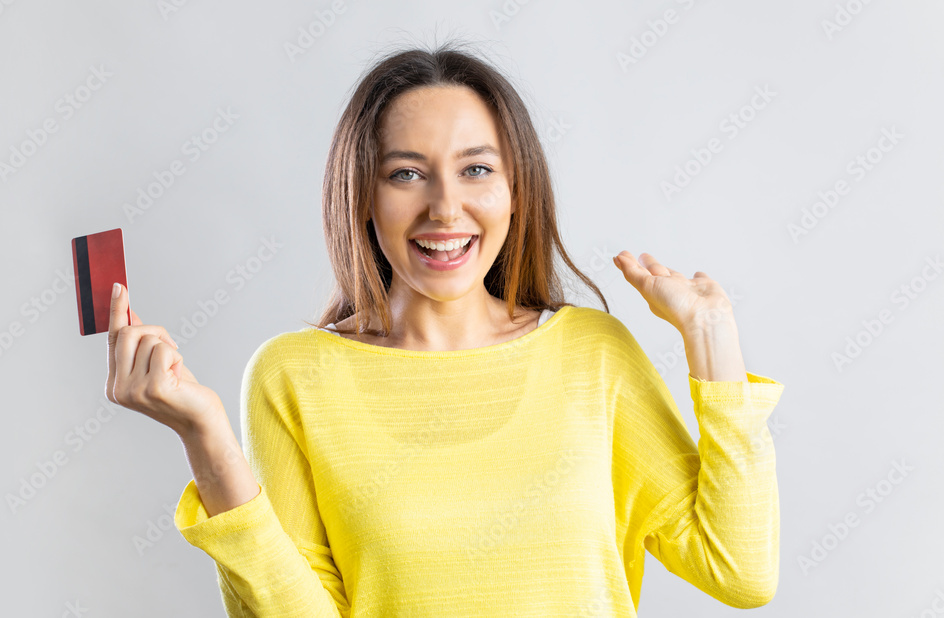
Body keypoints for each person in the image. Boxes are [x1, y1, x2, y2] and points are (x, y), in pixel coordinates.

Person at [105, 41, 785, 617]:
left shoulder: (592, 355)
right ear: (363, 193)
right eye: (407, 174)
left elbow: (739, 570)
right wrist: (207, 440)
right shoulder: (293, 376)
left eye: (476, 169)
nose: (445, 207)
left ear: (516, 191)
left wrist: (711, 334)